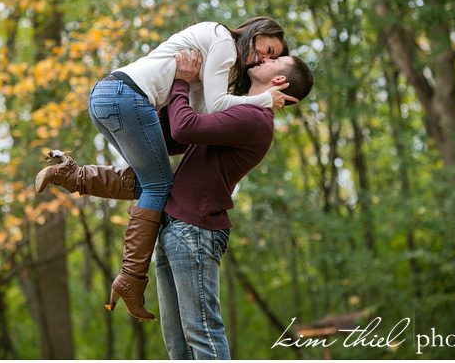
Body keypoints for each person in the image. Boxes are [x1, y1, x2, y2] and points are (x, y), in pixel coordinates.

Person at [38, 49, 314, 358]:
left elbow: (185, 127)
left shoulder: (254, 118)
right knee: (177, 344)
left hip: (196, 231)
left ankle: (77, 178)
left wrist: (182, 82)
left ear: (279, 79)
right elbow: (169, 141)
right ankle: (75, 177)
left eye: (273, 60)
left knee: (202, 334)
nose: (264, 57)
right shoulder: (235, 111)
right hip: (175, 226)